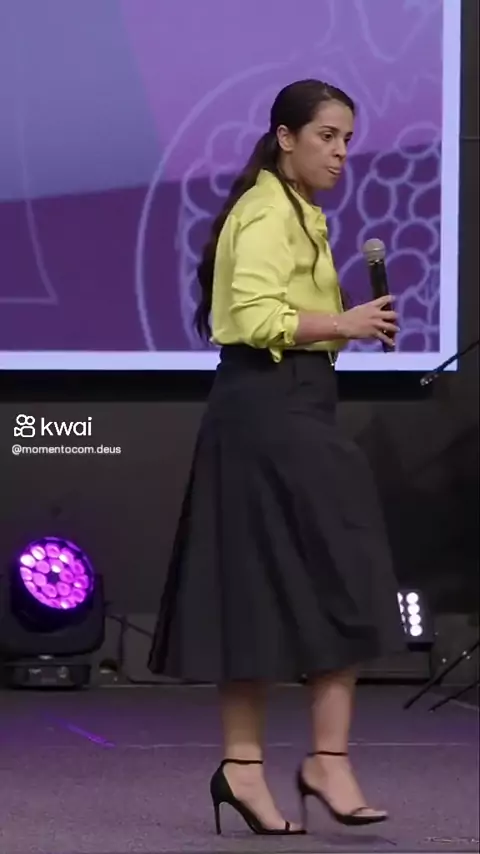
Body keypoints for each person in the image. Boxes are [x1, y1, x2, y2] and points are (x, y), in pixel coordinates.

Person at [148, 79, 405, 836]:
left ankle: (312, 761)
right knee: (277, 586)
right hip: (266, 410)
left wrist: (342, 329)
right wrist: (345, 323)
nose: (341, 152)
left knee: (311, 581)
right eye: (327, 136)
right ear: (286, 138)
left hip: (294, 407)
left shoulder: (300, 212)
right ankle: (260, 766)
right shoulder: (265, 212)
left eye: (348, 139)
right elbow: (256, 317)